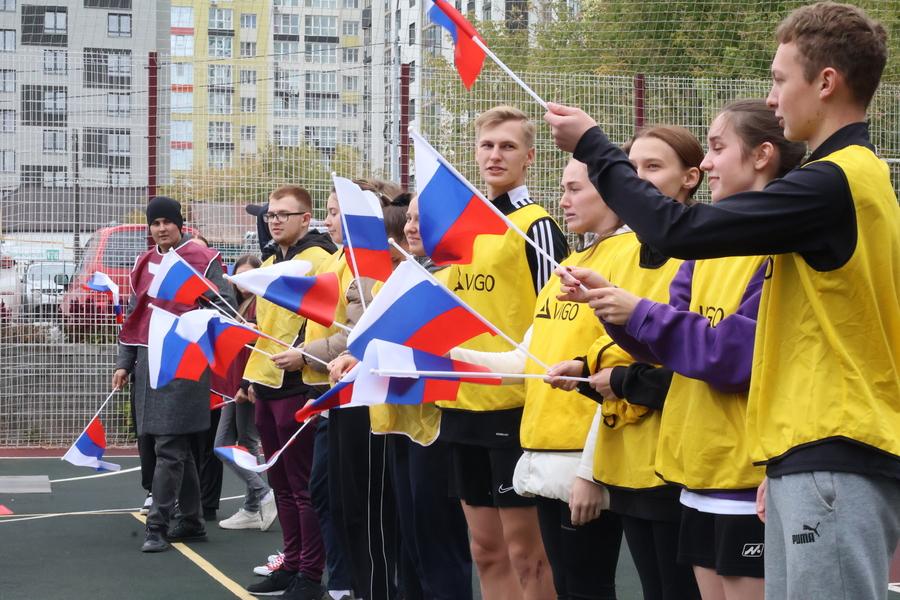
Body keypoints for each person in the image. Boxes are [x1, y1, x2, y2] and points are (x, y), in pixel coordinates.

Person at [545, 4, 900, 598]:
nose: (773, 97)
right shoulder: (840, 183)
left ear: (826, 82)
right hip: (801, 452)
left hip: (834, 449)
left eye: (780, 79)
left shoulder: (834, 181)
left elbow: (676, 230)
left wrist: (595, 149)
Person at [569, 101, 805, 600]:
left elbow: (731, 359)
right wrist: (609, 307)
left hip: (748, 477)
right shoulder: (706, 250)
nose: (710, 162)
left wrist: (637, 311)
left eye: (718, 147)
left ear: (762, 156)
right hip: (696, 470)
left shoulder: (785, 248)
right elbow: (665, 349)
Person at [448, 158, 628, 599]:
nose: (562, 200)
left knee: (587, 586)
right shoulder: (569, 266)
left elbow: (622, 369)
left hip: (586, 458)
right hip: (543, 457)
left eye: (574, 189)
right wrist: (443, 354)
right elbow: (525, 361)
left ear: (609, 190)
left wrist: (590, 470)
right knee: (567, 585)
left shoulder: (629, 259)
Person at [553, 126, 704, 600]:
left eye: (652, 168)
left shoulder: (702, 253)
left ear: (692, 178)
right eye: (632, 168)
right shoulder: (627, 253)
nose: (637, 179)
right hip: (630, 460)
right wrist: (587, 370)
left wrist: (619, 377)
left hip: (683, 463)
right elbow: (626, 346)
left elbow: (696, 359)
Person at [436, 105, 568, 600]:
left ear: (529, 157)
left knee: (526, 554)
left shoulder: (537, 226)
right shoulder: (463, 224)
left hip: (512, 406)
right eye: (488, 145)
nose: (496, 155)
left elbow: (556, 315)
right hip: (461, 402)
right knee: (485, 550)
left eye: (508, 146)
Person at [279, 178, 402, 600]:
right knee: (327, 493)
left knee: (356, 502)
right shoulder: (338, 260)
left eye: (337, 212)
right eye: (330, 211)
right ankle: (341, 579)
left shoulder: (369, 265)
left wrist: (306, 354)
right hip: (329, 390)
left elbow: (355, 335)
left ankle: (349, 581)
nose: (331, 221)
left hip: (356, 397)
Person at [113, 196, 233, 553]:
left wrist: (196, 309)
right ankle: (193, 520)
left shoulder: (204, 260)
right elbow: (135, 315)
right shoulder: (144, 262)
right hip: (148, 365)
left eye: (167, 221)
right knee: (167, 445)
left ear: (180, 223)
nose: (161, 228)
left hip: (184, 360)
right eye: (155, 223)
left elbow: (224, 306)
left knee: (168, 444)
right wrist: (124, 362)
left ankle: (157, 526)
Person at [242, 185, 335, 599]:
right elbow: (265, 329)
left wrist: (302, 356)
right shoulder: (271, 259)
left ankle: (310, 576)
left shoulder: (317, 260)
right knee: (280, 483)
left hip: (298, 383)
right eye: (270, 214)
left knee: (302, 487)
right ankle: (292, 563)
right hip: (267, 381)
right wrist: (249, 376)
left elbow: (323, 320)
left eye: (283, 214)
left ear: (305, 218)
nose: (274, 220)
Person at [212, 254, 278, 532]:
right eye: (238, 278)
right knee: (244, 443)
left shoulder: (258, 307)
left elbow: (261, 345)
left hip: (245, 384)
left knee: (225, 444)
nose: (242, 283)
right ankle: (253, 506)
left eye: (248, 277)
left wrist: (247, 383)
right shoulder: (242, 306)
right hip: (236, 384)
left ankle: (261, 494)